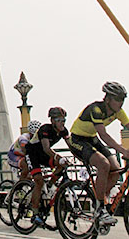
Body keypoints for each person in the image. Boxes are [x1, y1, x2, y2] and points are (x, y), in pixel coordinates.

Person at [69, 81, 129, 226]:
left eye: (123, 99)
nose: (121, 102)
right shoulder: (95, 109)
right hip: (78, 139)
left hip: (92, 138)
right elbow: (103, 134)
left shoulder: (118, 112)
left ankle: (100, 198)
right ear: (107, 99)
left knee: (116, 169)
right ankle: (100, 209)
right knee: (103, 164)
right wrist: (122, 150)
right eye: (118, 99)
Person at [25, 108, 70, 225]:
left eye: (63, 120)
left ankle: (50, 186)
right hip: (33, 154)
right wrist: (58, 158)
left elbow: (72, 146)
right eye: (59, 120)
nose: (62, 122)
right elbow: (46, 148)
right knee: (39, 181)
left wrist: (83, 157)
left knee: (61, 167)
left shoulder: (64, 131)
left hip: (44, 155)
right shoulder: (45, 129)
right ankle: (35, 214)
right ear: (52, 121)